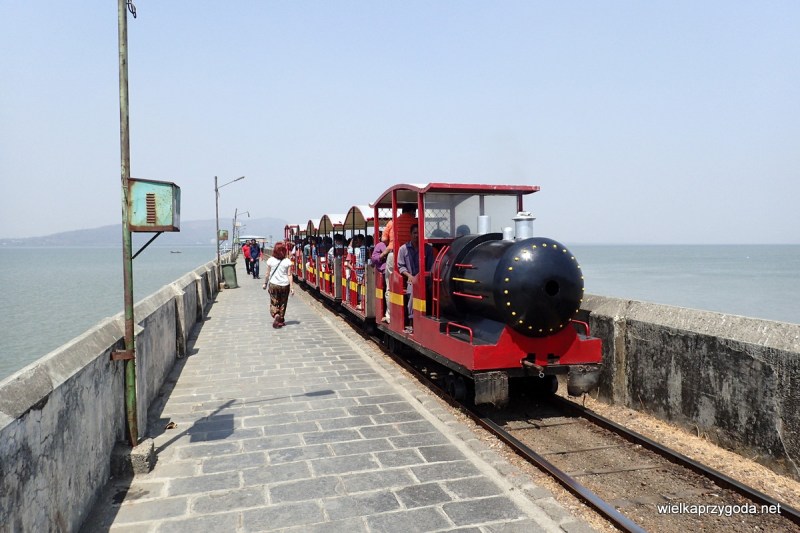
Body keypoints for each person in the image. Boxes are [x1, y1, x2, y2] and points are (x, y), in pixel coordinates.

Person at [397, 224, 434, 332]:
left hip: (425, 279)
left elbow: (431, 266)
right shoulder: (403, 249)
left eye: (419, 233)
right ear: (410, 234)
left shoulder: (428, 249)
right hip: (410, 279)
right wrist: (409, 276)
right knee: (413, 290)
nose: (417, 235)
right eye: (415, 233)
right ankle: (412, 321)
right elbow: (401, 266)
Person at [263, 242, 294, 328]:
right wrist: (292, 287)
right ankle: (281, 319)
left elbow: (267, 274)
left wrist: (265, 283)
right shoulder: (287, 261)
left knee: (274, 301)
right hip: (285, 285)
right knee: (283, 302)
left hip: (273, 284)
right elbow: (289, 275)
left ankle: (276, 315)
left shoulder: (270, 260)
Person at [371, 237, 389, 322]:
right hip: (384, 273)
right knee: (386, 292)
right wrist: (384, 254)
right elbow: (374, 259)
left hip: (393, 273)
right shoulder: (380, 245)